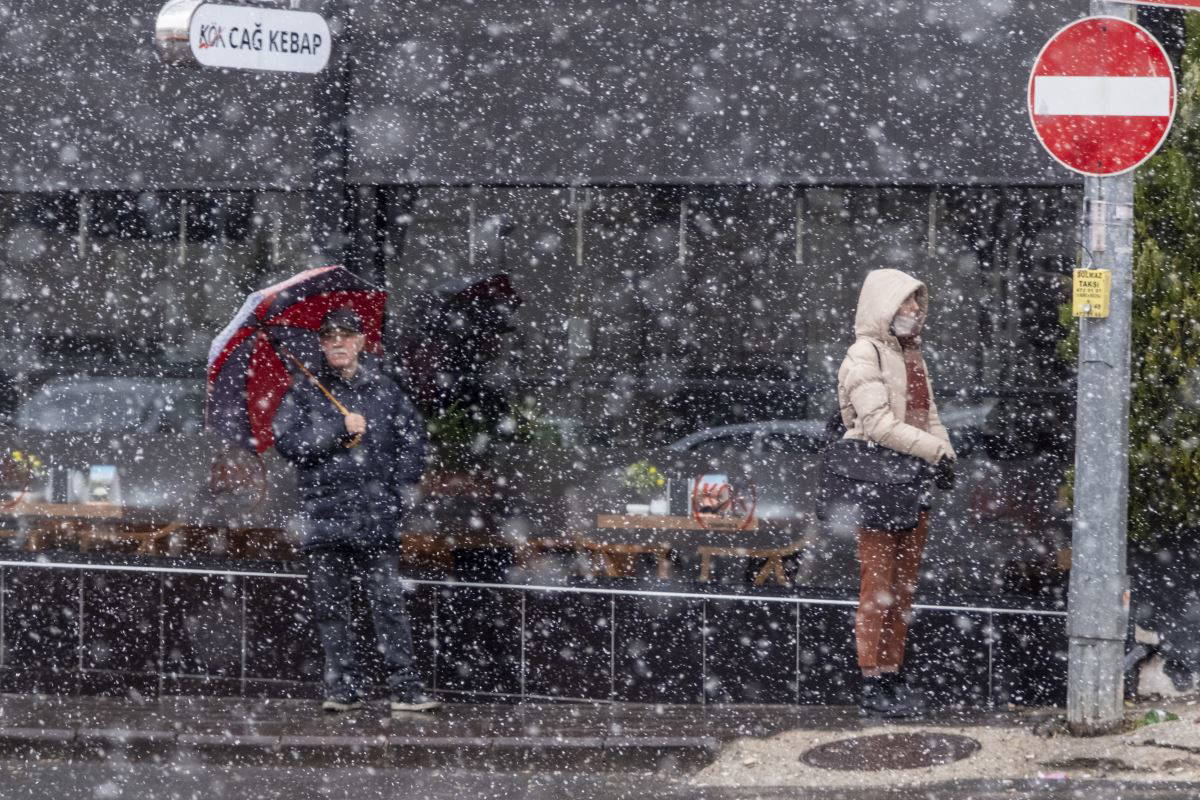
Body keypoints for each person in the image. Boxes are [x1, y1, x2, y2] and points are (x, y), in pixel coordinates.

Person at [274, 308, 440, 713]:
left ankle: (405, 690)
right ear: (321, 344)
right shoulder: (305, 391)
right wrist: (336, 431)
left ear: (362, 342)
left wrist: (395, 495)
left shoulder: (386, 391)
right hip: (325, 517)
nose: (337, 343)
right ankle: (342, 689)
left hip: (375, 516)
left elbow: (413, 446)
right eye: (329, 336)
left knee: (388, 606)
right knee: (331, 608)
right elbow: (288, 444)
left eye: (345, 336)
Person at [836, 269, 956, 717]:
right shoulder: (863, 356)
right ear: (883, 308)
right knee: (877, 588)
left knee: (902, 590)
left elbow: (930, 415)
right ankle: (872, 681)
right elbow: (878, 424)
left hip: (911, 484)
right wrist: (935, 453)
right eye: (905, 303)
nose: (914, 312)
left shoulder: (913, 356)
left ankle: (892, 673)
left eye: (917, 304)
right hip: (879, 484)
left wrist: (946, 454)